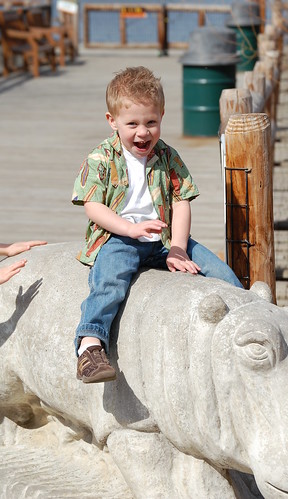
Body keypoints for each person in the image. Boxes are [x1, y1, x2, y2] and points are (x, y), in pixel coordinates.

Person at [72, 66, 242, 384]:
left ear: (161, 116)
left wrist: (177, 246)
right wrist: (128, 228)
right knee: (109, 281)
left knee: (220, 274)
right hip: (118, 237)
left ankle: (244, 329)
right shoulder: (100, 159)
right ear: (112, 121)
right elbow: (93, 207)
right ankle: (90, 346)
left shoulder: (167, 156)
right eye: (132, 124)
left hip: (165, 238)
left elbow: (181, 201)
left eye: (151, 122)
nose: (143, 132)